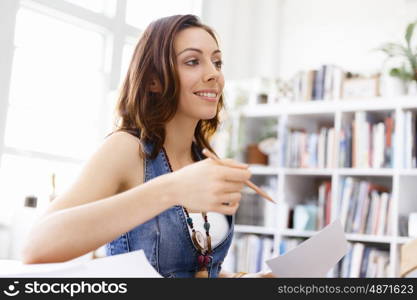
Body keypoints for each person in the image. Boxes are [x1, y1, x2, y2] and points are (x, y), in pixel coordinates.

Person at [21, 14, 273, 278]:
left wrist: (245, 280)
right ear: (154, 80)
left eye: (217, 62)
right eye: (192, 61)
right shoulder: (127, 149)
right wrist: (172, 188)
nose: (214, 74)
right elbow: (36, 246)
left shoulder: (202, 159)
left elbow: (192, 265)